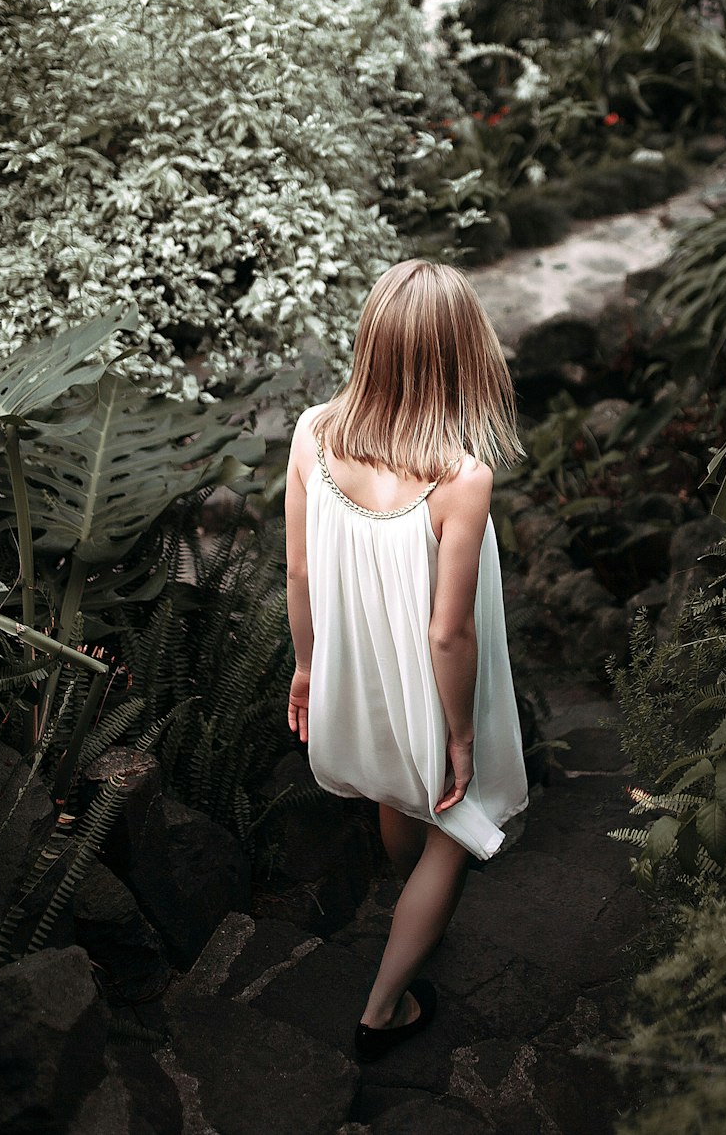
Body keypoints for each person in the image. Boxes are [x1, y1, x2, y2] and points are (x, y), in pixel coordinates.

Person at [284, 258, 530, 1062]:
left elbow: (298, 573)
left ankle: (408, 917)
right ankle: (382, 1009)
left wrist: (307, 669)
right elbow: (448, 635)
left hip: (360, 676)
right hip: (431, 684)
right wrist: (461, 734)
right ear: (462, 355)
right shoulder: (460, 478)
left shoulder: (314, 435)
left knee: (399, 793)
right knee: (459, 820)